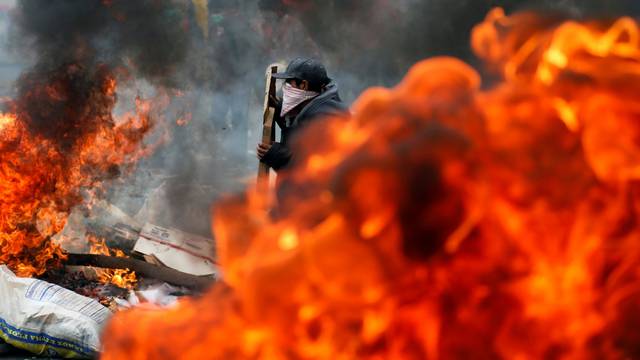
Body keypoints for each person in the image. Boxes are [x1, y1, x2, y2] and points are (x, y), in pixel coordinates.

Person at [257, 57, 347, 171]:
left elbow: (315, 169)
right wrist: (284, 112)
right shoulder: (316, 107)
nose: (286, 87)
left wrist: (277, 155)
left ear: (303, 85)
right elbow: (301, 127)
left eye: (289, 82)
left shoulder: (326, 119)